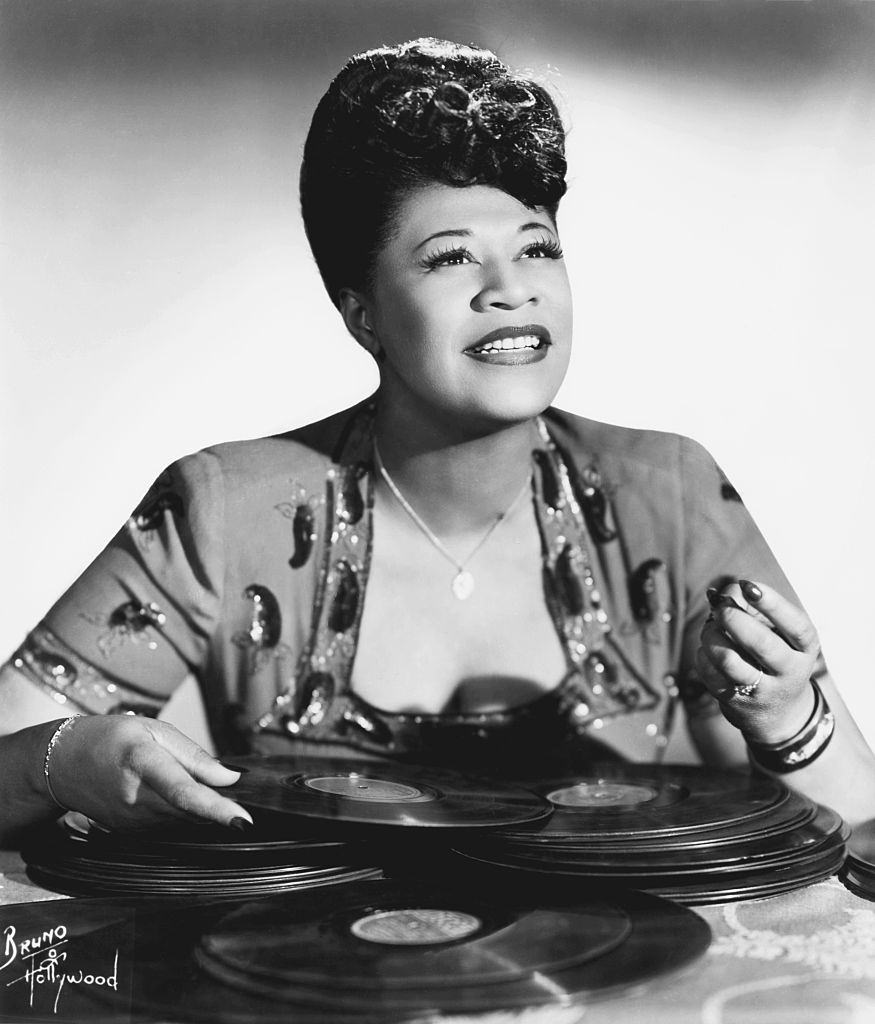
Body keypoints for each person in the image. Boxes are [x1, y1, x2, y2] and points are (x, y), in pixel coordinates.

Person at [1, 37, 873, 845]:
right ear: (361, 312)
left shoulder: (669, 491)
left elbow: (861, 825)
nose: (510, 291)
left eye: (537, 249)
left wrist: (792, 720)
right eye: (451, 258)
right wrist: (63, 757)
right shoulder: (223, 510)